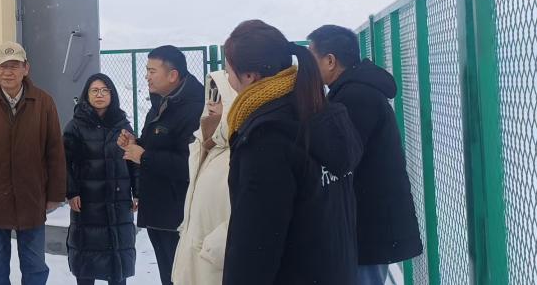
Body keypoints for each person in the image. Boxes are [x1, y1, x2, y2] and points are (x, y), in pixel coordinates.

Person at [221, 20, 362, 284]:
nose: (228, 79)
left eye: (228, 71)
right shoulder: (321, 113)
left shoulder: (267, 137)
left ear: (249, 76)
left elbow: (255, 244)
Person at [308, 24, 423, 284]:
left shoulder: (356, 97)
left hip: (369, 225)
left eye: (311, 59)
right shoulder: (353, 91)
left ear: (330, 61)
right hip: (369, 221)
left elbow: (341, 157)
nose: (308, 69)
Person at [0, 41, 67, 285]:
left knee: (35, 268)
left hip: (32, 198)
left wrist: (55, 194)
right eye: (3, 66)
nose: (8, 72)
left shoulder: (43, 102)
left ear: (26, 68)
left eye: (14, 66)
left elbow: (55, 152)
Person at [117, 45, 204, 285]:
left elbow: (190, 163)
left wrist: (144, 156)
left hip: (178, 215)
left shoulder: (194, 108)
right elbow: (159, 145)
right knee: (169, 276)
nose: (147, 76)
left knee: (182, 277)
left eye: (152, 71)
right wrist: (136, 143)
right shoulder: (162, 102)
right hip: (159, 211)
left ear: (172, 75)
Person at [63, 73, 137, 285]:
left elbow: (134, 162)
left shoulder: (123, 126)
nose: (100, 95)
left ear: (112, 95)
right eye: (94, 90)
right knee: (86, 261)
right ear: (86, 95)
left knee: (117, 261)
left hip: (118, 203)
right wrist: (71, 192)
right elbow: (64, 162)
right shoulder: (75, 126)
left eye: (105, 90)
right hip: (87, 204)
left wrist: (138, 192)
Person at [171, 70, 238, 285]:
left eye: (218, 96)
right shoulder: (204, 147)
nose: (211, 103)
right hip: (194, 263)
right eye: (210, 94)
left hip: (217, 266)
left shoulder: (238, 152)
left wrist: (213, 249)